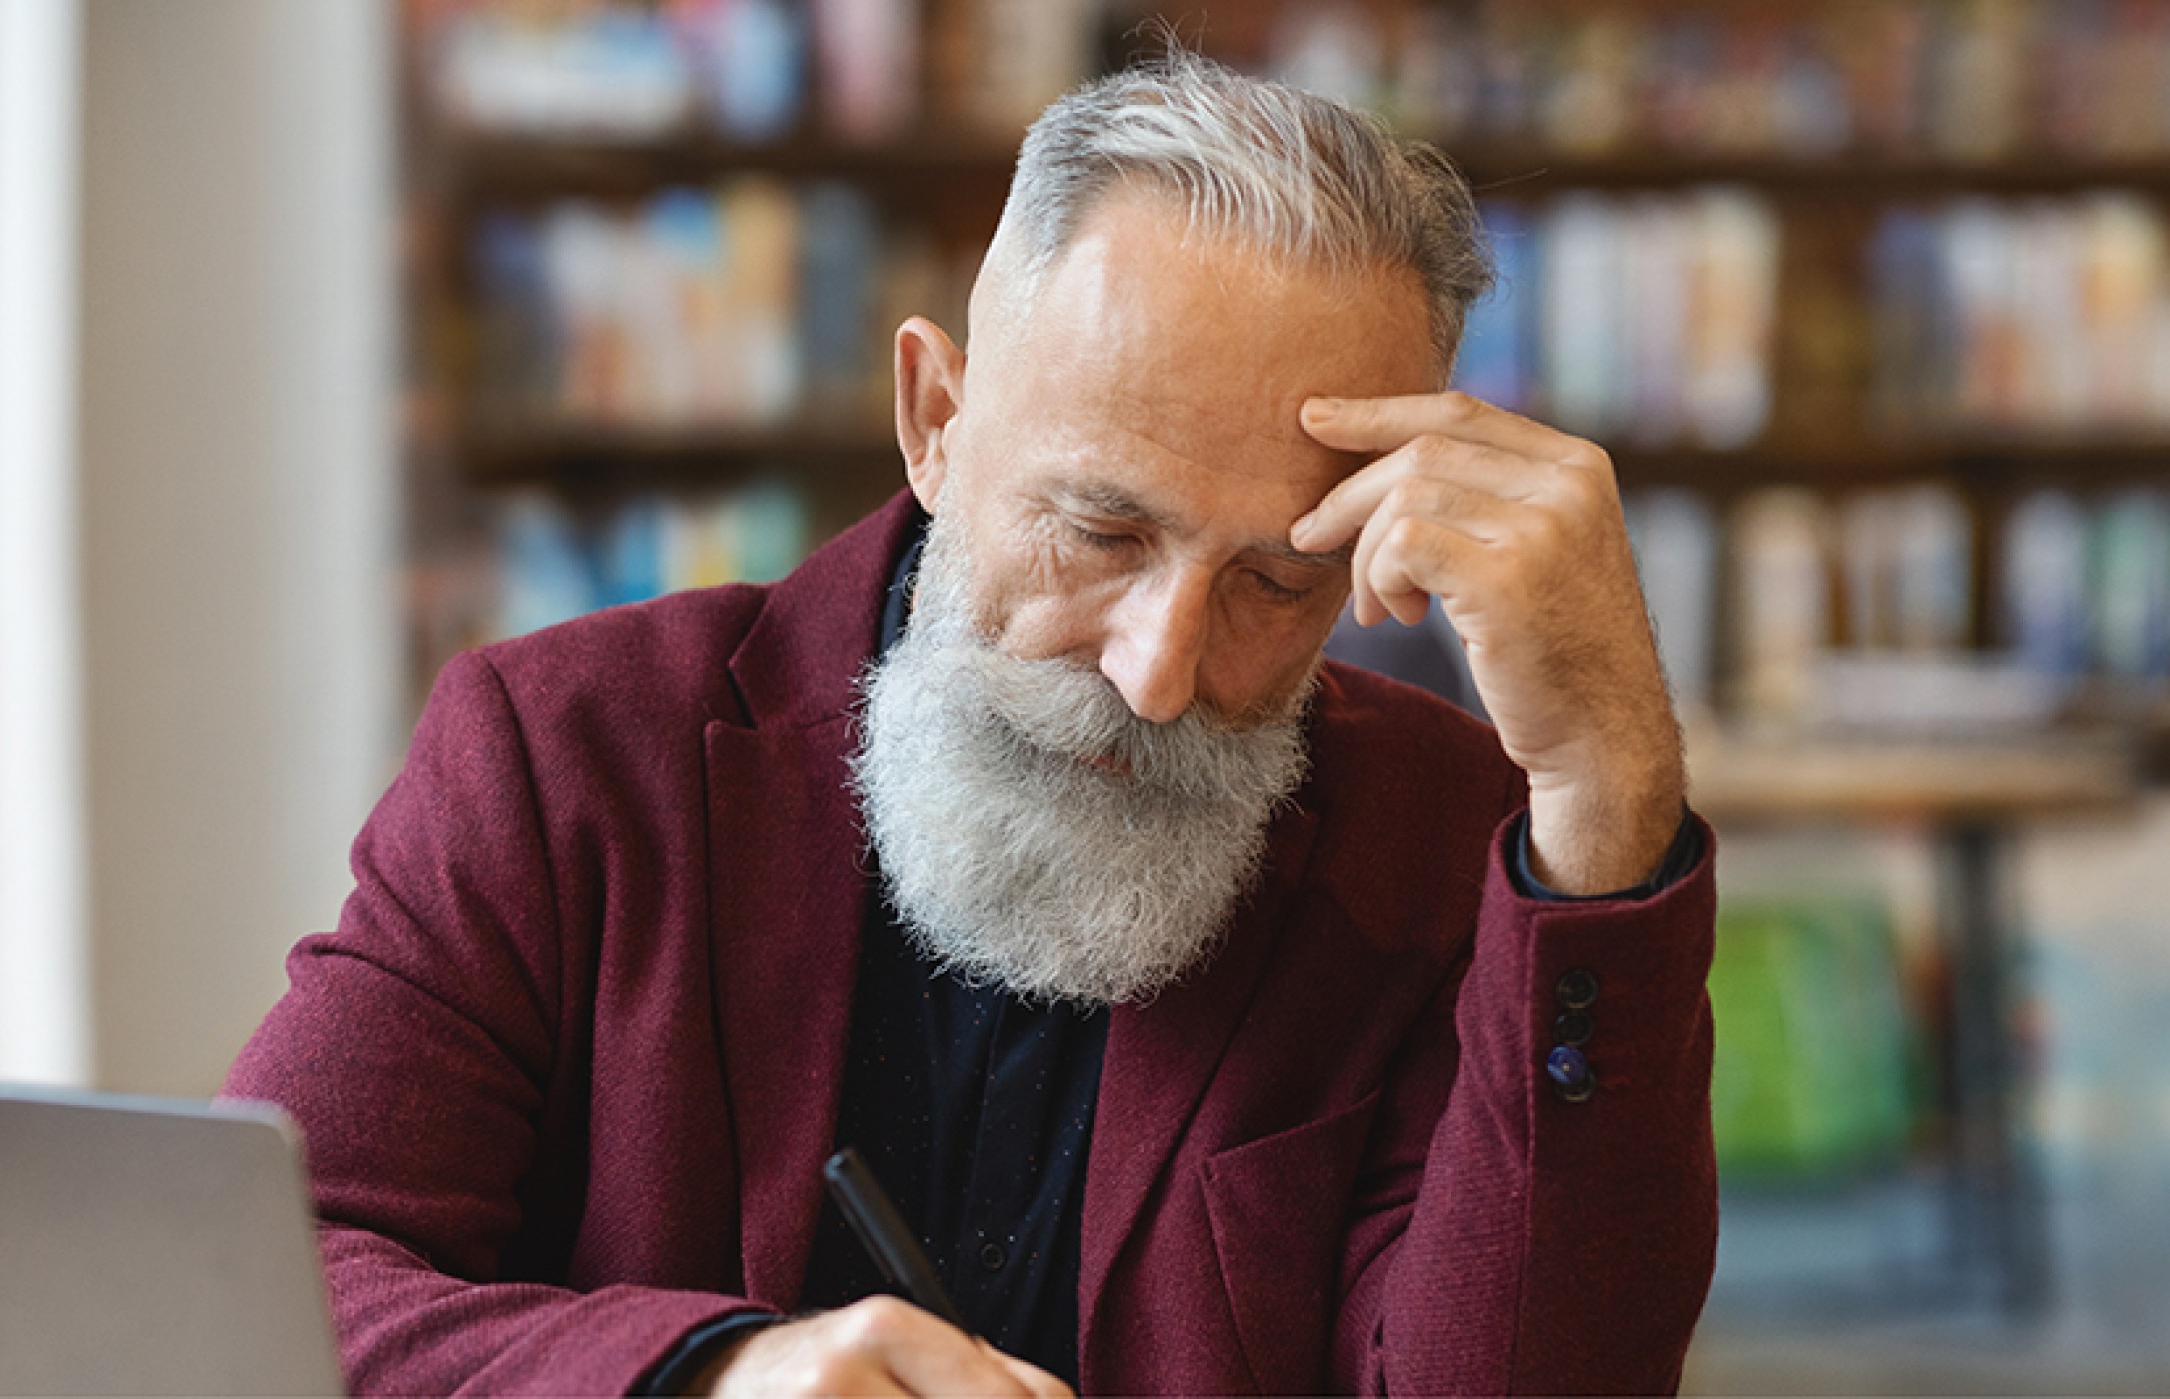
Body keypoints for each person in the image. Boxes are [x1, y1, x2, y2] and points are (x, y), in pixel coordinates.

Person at [227, 51, 1716, 1397]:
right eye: (1101, 531)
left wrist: (1603, 797)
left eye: (1275, 581)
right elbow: (265, 1286)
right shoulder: (561, 753)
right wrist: (705, 1382)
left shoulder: (1441, 840)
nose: (1158, 671)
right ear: (934, 416)